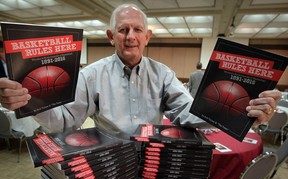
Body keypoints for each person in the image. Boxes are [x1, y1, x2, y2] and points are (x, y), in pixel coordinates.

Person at [0, 4, 281, 142]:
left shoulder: (163, 74)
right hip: (110, 156)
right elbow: (64, 122)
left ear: (147, 36)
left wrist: (243, 112)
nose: (130, 36)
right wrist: (28, 101)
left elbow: (188, 112)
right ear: (112, 36)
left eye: (136, 30)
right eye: (123, 30)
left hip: (155, 155)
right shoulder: (91, 75)